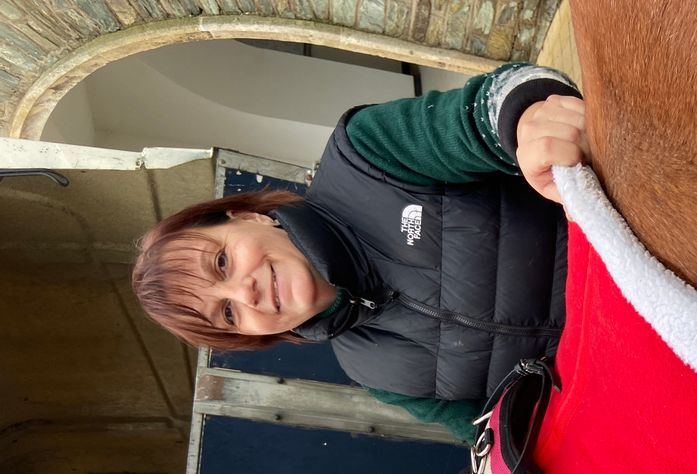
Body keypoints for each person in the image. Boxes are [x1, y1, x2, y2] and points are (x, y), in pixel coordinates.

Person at [131, 64, 586, 441]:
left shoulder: (366, 155)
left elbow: (483, 111)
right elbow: (505, 444)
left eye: (222, 263)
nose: (245, 294)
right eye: (227, 314)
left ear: (247, 217)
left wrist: (526, 123)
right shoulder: (380, 377)